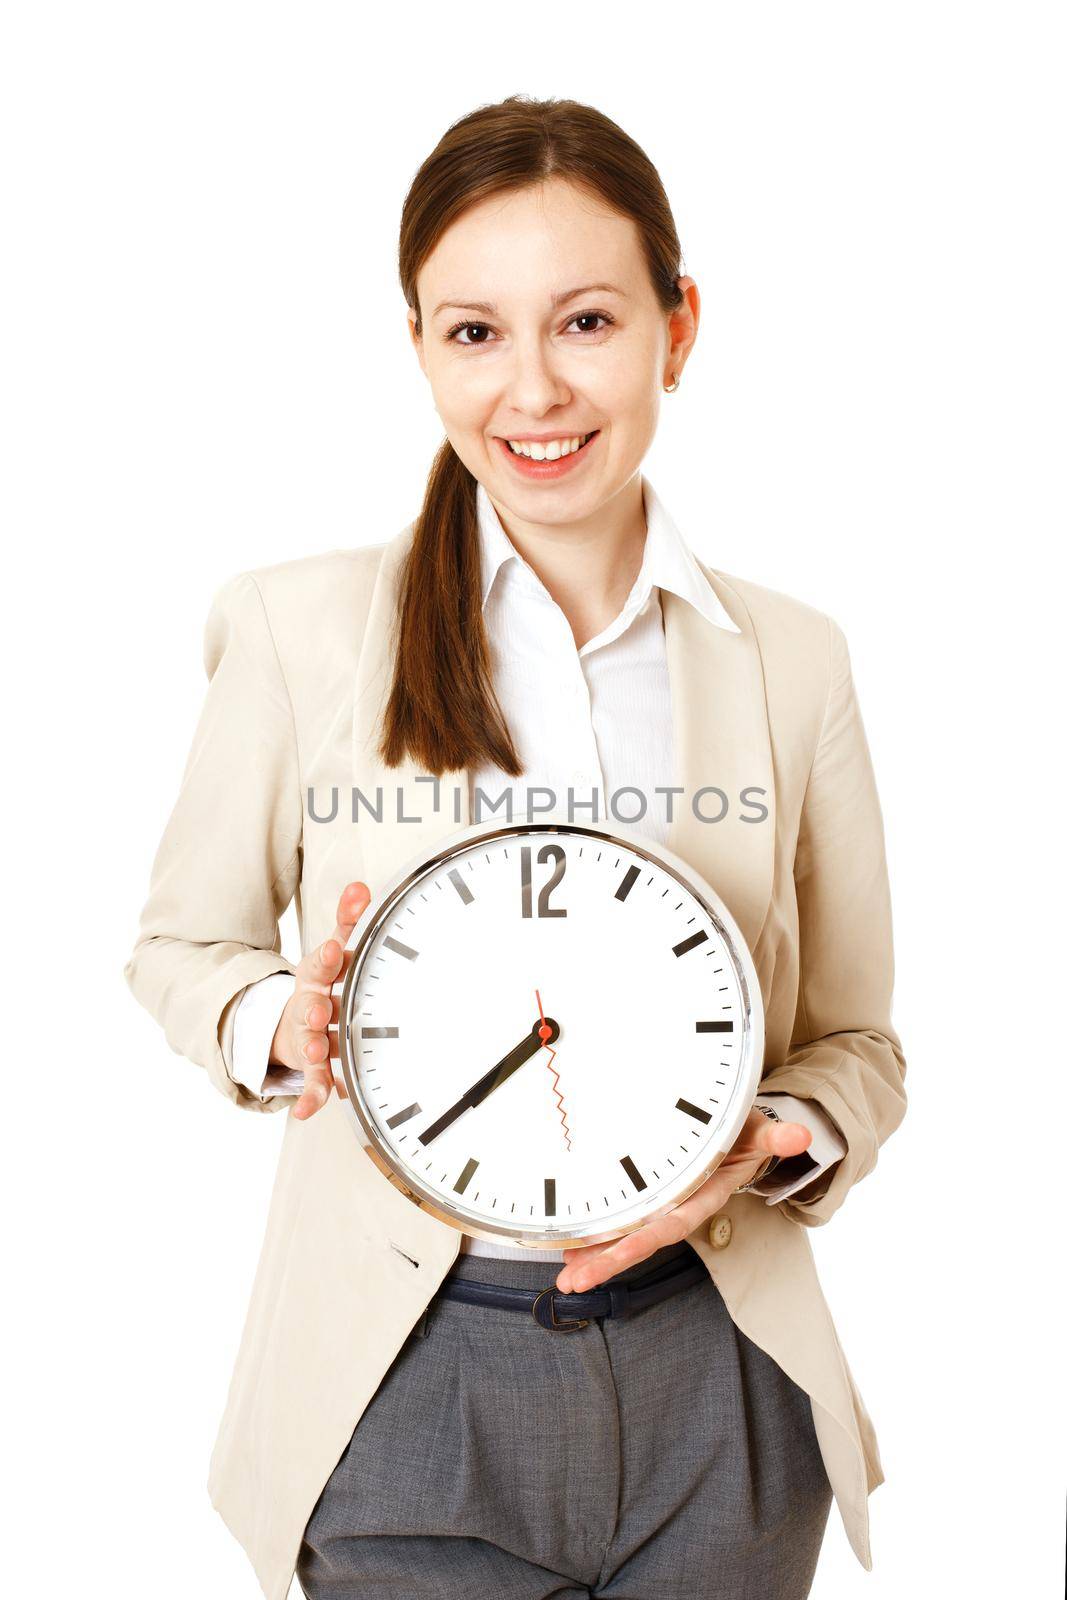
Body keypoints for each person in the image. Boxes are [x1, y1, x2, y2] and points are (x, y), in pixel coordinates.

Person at [125, 95, 907, 1600]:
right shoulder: (300, 633)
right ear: (418, 345)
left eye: (589, 321)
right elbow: (177, 948)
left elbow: (860, 1046)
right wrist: (269, 1021)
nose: (534, 387)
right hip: (404, 1377)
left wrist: (777, 1135)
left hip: (716, 1382)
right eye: (473, 332)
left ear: (679, 328)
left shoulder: (791, 661)